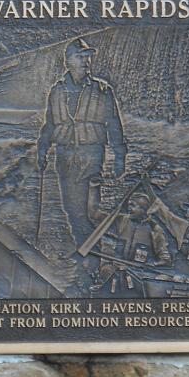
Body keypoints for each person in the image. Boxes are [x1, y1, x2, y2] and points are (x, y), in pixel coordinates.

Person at [36, 37, 126, 251]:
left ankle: (101, 250)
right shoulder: (56, 92)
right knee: (71, 210)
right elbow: (49, 125)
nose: (86, 61)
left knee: (91, 209)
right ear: (68, 61)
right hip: (65, 157)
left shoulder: (103, 90)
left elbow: (114, 125)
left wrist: (120, 158)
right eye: (80, 57)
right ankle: (88, 252)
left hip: (92, 155)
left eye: (88, 57)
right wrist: (42, 149)